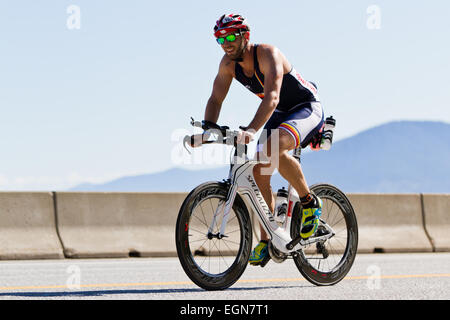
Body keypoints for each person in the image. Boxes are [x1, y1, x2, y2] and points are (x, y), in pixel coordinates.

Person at [189, 13, 324, 266]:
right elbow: (216, 100)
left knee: (272, 150)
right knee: (259, 171)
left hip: (305, 107)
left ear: (245, 36)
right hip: (280, 114)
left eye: (230, 36)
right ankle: (269, 238)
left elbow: (272, 97)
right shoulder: (228, 65)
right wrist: (208, 131)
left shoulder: (267, 54)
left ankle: (309, 202)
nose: (225, 43)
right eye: (220, 38)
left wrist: (251, 130)